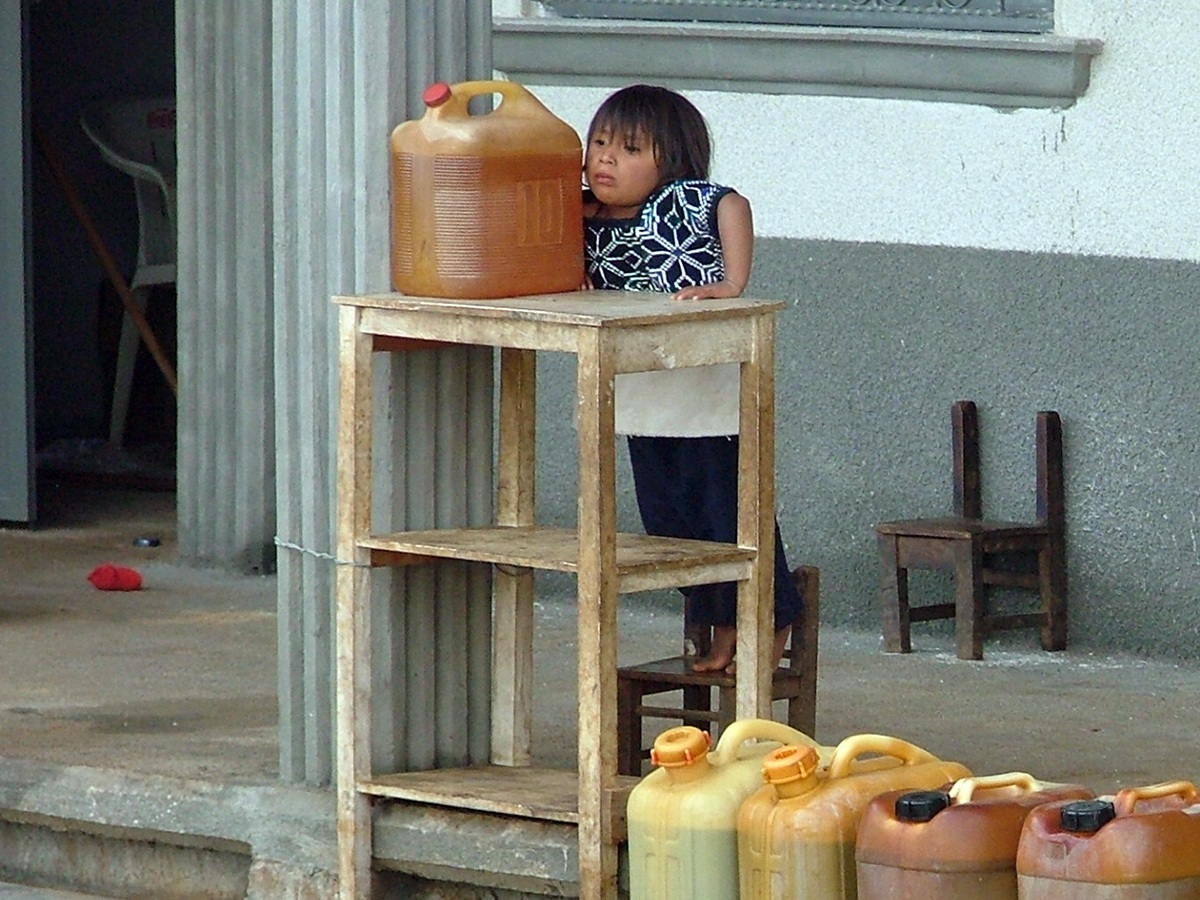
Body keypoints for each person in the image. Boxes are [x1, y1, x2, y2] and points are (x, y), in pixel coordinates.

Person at [581, 83, 802, 673]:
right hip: (643, 397)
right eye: (598, 143)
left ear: (671, 158)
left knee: (726, 513)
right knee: (669, 526)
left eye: (628, 149)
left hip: (705, 393)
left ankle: (773, 617)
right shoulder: (582, 213)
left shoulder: (687, 201)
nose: (605, 158)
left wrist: (733, 282)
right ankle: (724, 624)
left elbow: (733, 203)